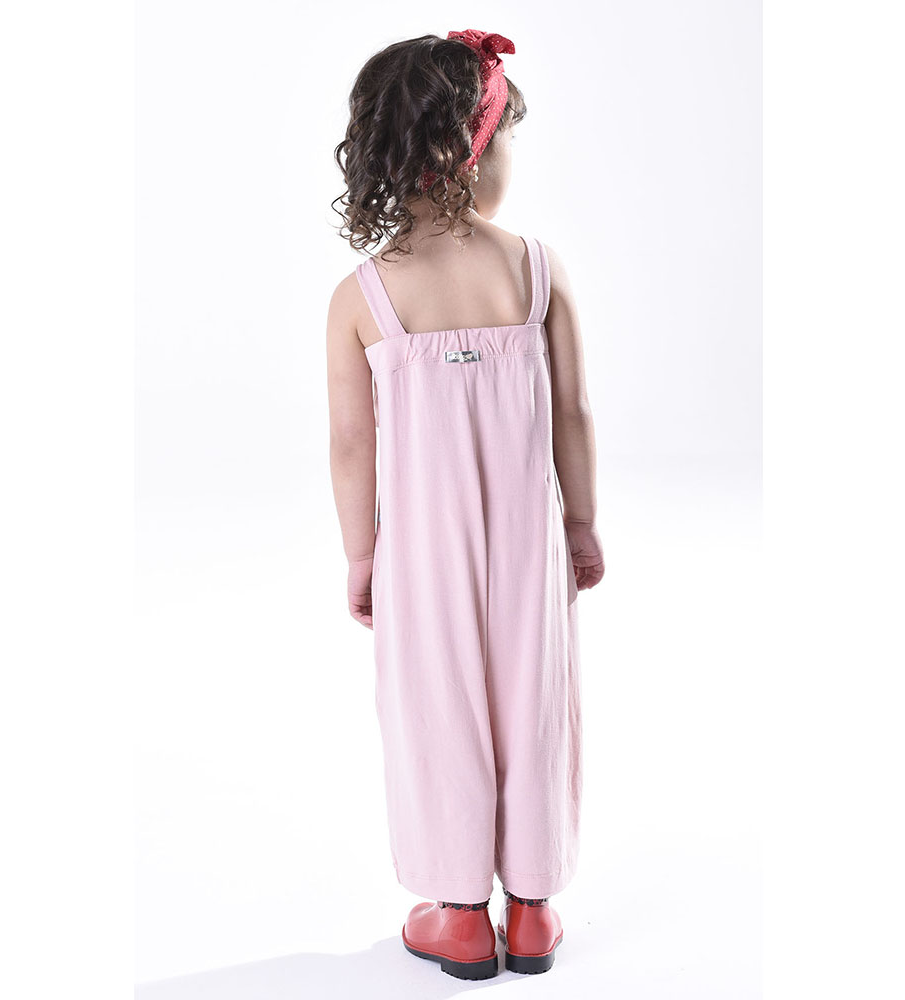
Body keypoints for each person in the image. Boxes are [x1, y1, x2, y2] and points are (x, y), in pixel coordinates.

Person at [326, 29, 604, 979]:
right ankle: (532, 908)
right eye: (509, 136)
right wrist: (580, 523)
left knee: (437, 705)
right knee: (533, 700)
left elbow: (352, 443)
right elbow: (573, 409)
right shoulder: (536, 269)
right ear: (469, 150)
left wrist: (361, 554)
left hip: (421, 552)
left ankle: (458, 914)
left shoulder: (364, 297)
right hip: (528, 542)